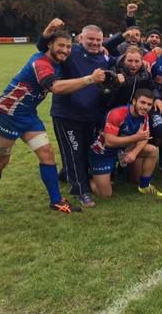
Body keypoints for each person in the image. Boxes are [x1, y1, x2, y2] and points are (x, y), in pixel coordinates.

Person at [0, 29, 106, 214]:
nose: (65, 50)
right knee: (0, 161)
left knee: (47, 154)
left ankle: (56, 201)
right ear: (50, 45)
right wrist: (90, 79)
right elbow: (56, 87)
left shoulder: (57, 61)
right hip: (6, 115)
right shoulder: (40, 62)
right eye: (61, 46)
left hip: (28, 116)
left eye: (68, 47)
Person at [37, 19, 119, 208]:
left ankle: (66, 174)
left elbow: (120, 62)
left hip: (91, 115)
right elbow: (43, 47)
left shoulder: (104, 57)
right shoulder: (70, 52)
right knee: (74, 153)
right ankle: (81, 191)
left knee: (84, 152)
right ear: (81, 38)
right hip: (67, 114)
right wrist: (49, 29)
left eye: (99, 41)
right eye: (91, 39)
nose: (95, 44)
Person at [89, 89, 161, 198]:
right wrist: (135, 137)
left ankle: (145, 186)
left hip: (123, 149)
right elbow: (109, 141)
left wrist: (134, 153)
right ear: (134, 101)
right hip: (103, 151)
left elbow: (144, 137)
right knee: (105, 195)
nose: (145, 107)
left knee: (153, 151)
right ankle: (88, 179)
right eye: (142, 102)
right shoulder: (117, 113)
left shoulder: (144, 115)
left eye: (149, 104)